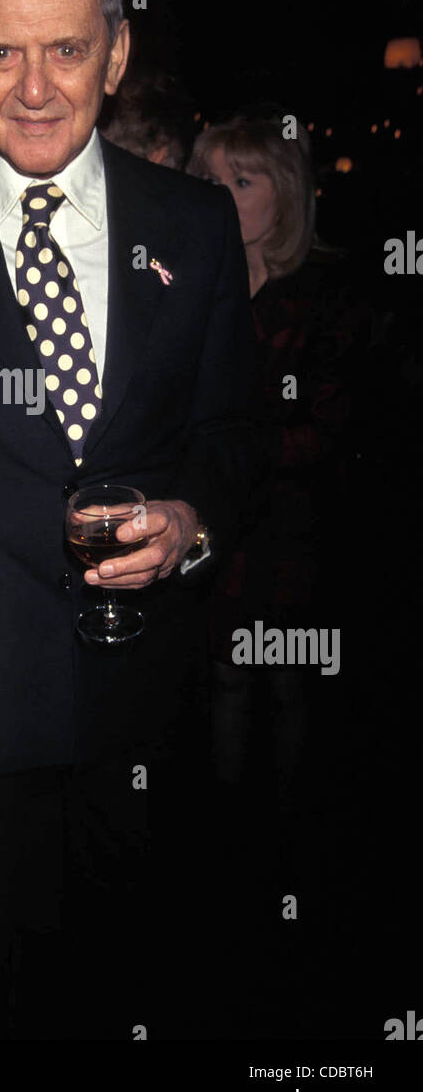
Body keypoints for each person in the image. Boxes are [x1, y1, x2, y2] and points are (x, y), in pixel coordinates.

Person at [0, 0, 258, 1039]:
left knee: (146, 992)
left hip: (151, 720)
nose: (36, 86)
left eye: (67, 49)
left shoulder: (196, 227)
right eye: (2, 51)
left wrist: (193, 521)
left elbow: (236, 434)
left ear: (118, 52)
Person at [188, 114, 370, 860]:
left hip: (293, 525)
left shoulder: (324, 297)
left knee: (287, 678)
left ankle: (291, 838)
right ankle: (231, 834)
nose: (221, 196)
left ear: (286, 192)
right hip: (215, 525)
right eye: (210, 181)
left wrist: (229, 456)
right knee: (225, 677)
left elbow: (328, 432)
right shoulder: (192, 284)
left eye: (243, 180)